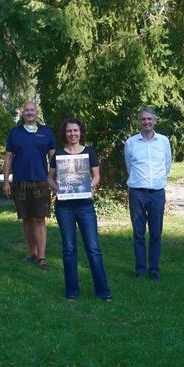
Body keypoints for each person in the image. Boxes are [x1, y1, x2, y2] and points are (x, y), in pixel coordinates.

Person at [48, 118, 112, 301]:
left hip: (85, 206)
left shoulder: (89, 152)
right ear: (65, 133)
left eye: (76, 131)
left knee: (93, 248)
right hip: (64, 208)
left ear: (81, 132)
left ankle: (102, 290)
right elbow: (50, 178)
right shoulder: (58, 154)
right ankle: (72, 290)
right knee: (68, 249)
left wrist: (89, 187)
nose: (73, 134)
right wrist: (57, 189)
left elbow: (97, 176)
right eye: (69, 131)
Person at [2, 101, 56, 270]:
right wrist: (5, 181)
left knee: (40, 219)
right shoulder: (14, 133)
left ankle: (41, 256)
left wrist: (54, 181)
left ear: (37, 112)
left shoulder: (46, 132)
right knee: (26, 219)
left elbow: (53, 158)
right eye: (26, 110)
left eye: (32, 110)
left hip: (41, 181)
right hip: (20, 181)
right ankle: (31, 252)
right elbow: (9, 158)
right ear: (22, 112)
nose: (30, 112)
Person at [124, 107, 171, 281]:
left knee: (156, 233)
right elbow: (129, 165)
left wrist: (156, 181)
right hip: (137, 192)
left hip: (157, 192)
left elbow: (167, 165)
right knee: (138, 233)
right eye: (143, 119)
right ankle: (140, 270)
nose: (146, 122)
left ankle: (154, 271)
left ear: (155, 120)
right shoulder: (131, 143)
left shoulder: (163, 141)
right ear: (139, 121)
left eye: (149, 119)